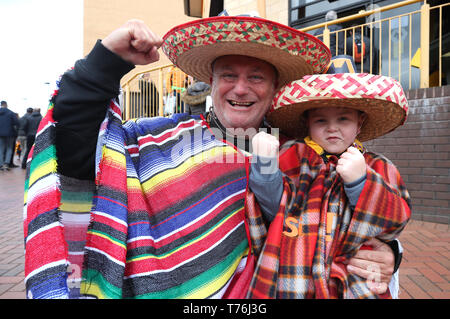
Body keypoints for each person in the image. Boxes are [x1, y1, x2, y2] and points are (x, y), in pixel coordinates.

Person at [23, 17, 396, 299]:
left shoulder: (303, 153)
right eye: (228, 75)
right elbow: (75, 150)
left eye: (257, 77)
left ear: (274, 89)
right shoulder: (156, 139)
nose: (240, 88)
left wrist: (387, 252)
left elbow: (359, 212)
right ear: (212, 84)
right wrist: (104, 65)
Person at [247, 72, 411, 298]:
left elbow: (394, 223)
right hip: (293, 279)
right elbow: (273, 206)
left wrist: (362, 183)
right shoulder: (292, 157)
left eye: (343, 119)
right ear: (307, 123)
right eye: (321, 120)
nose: (332, 128)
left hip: (353, 282)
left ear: (359, 122)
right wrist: (264, 165)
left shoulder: (378, 166)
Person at [0, 101, 19, 171]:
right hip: (9, 134)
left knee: (1, 149)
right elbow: (16, 122)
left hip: (0, 134)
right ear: (6, 104)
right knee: (9, 148)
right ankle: (6, 163)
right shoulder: (10, 112)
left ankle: (1, 164)